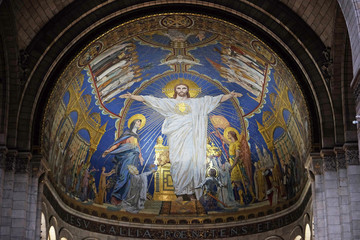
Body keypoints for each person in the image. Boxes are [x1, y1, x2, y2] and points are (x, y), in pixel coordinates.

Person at [120, 83, 240, 200]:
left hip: (191, 137)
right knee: (177, 162)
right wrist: (132, 96)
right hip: (176, 137)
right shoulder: (169, 103)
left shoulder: (197, 103)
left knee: (191, 161)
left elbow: (214, 100)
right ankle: (180, 192)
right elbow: (151, 101)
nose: (181, 90)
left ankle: (191, 191)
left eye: (184, 88)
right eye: (178, 88)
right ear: (175, 90)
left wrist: (229, 95)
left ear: (187, 90)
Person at [102, 115, 145, 205]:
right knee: (123, 176)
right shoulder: (127, 133)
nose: (139, 123)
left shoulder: (137, 136)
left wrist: (140, 157)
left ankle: (122, 198)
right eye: (138, 121)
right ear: (133, 122)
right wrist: (109, 150)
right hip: (126, 158)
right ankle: (115, 196)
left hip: (134, 158)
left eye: (140, 122)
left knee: (130, 178)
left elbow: (138, 147)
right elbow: (118, 144)